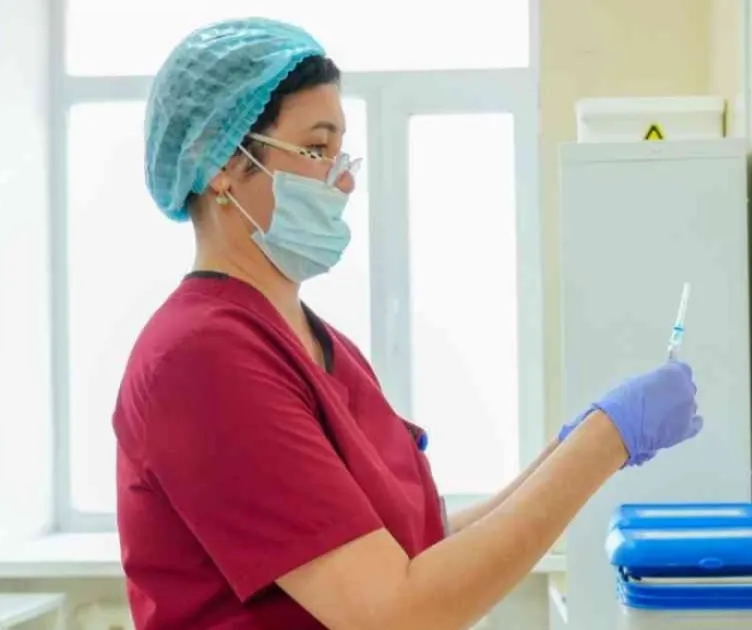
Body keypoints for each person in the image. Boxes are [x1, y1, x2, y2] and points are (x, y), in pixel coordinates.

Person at [113, 17, 704, 630]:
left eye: (339, 152)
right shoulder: (201, 359)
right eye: (315, 150)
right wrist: (606, 439)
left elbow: (420, 548)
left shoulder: (316, 343)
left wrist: (568, 446)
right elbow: (396, 614)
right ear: (220, 164)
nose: (341, 179)